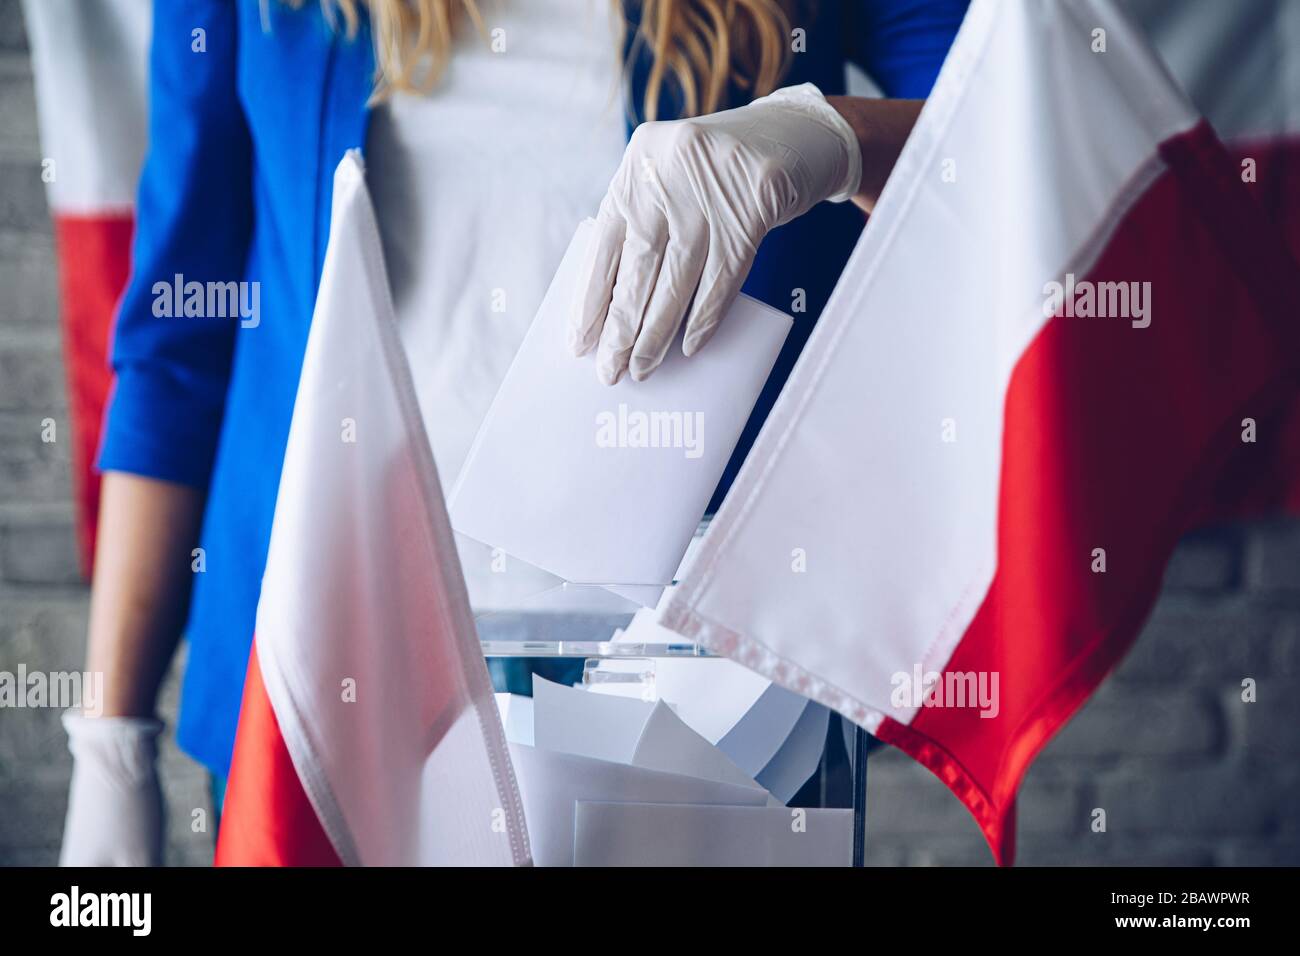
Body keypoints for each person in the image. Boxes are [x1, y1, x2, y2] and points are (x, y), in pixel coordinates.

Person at [60, 0, 968, 865]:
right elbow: (177, 350)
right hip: (337, 672)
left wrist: (835, 138)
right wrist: (111, 737)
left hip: (702, 701)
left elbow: (1004, 156)